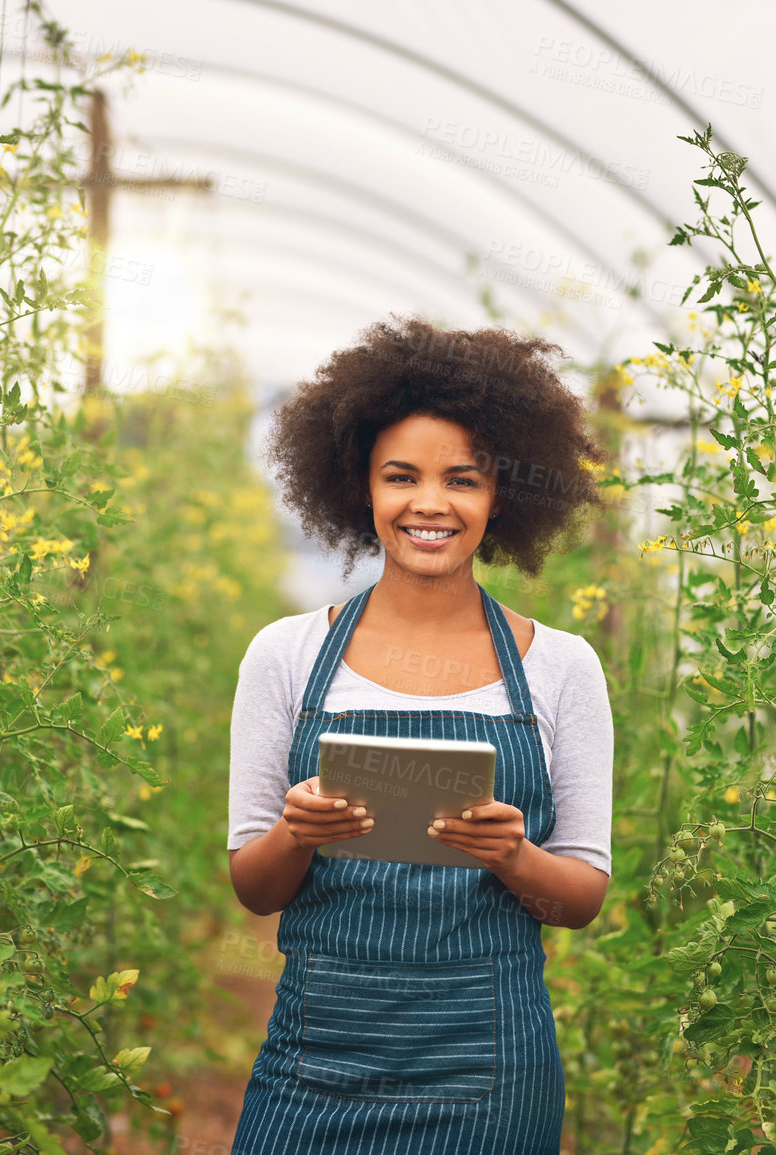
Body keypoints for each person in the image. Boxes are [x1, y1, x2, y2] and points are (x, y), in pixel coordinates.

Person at [226, 317, 615, 1154]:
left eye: (462, 480)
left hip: (490, 1065)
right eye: (400, 476)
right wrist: (298, 831)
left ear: (500, 494)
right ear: (359, 488)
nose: (429, 504)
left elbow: (578, 899)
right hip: (315, 1056)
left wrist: (512, 854)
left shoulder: (562, 669)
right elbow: (254, 891)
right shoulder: (285, 656)